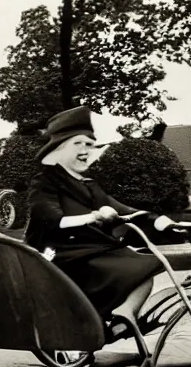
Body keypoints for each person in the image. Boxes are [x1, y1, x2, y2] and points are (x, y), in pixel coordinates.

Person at [24, 106, 176, 321]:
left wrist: (160, 221)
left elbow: (124, 210)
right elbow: (51, 219)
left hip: (93, 250)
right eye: (77, 144)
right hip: (58, 254)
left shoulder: (89, 185)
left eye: (89, 144)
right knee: (130, 266)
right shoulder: (44, 183)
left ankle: (124, 315)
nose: (85, 150)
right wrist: (93, 216)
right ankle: (96, 321)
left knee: (144, 265)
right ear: (59, 150)